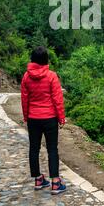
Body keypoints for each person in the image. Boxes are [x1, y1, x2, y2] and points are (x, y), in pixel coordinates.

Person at [21, 46, 66, 194]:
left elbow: (24, 99)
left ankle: (38, 180)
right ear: (46, 59)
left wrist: (26, 116)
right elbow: (57, 99)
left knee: (34, 149)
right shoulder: (52, 76)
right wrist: (61, 118)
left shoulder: (26, 77)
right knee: (52, 149)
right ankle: (55, 183)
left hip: (33, 118)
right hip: (50, 118)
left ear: (32, 59)